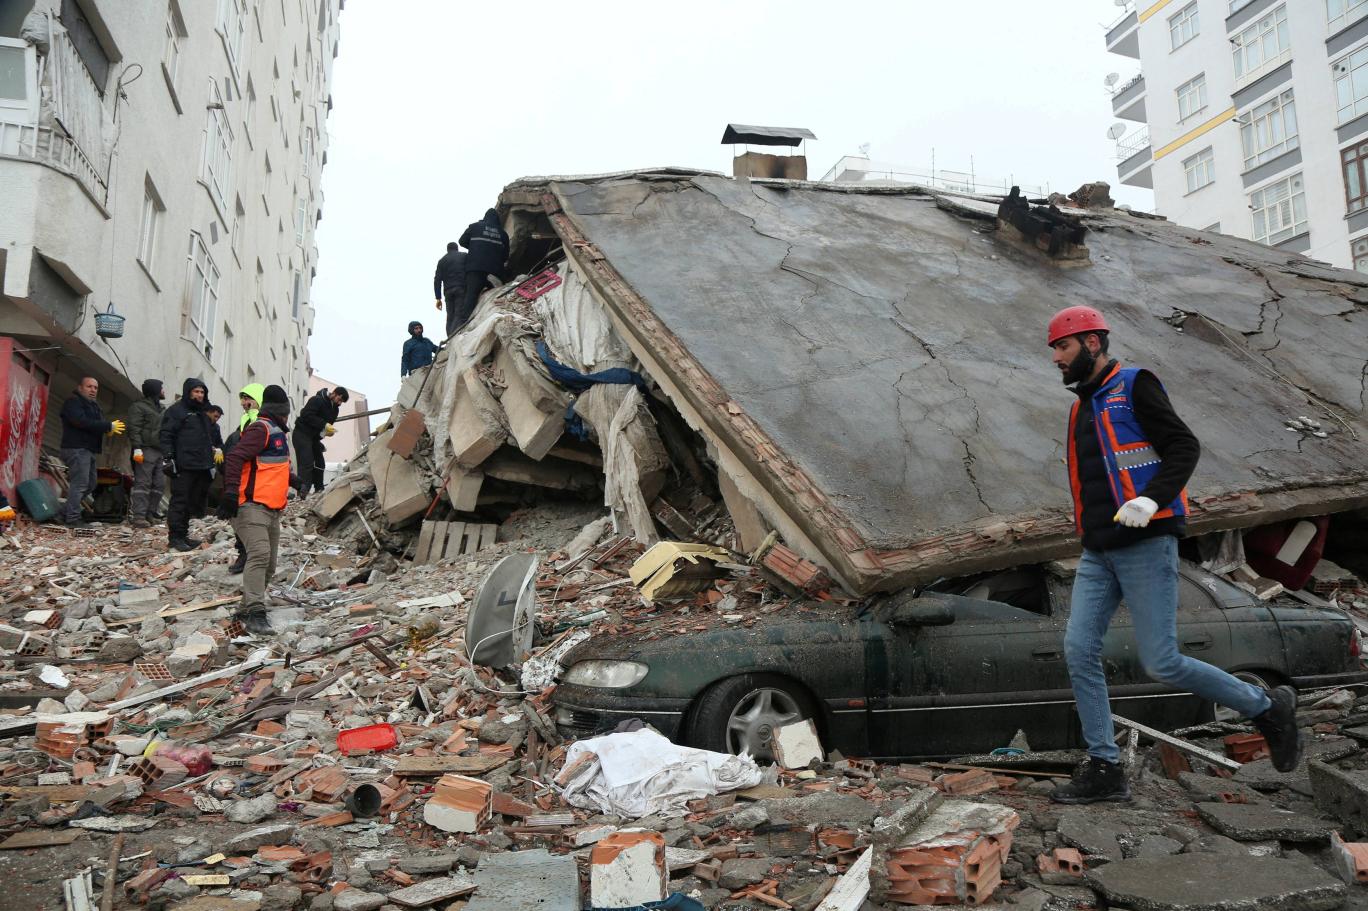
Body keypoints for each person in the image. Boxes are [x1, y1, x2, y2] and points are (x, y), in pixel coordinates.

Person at [1045, 305, 1300, 804]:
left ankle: (1266, 707)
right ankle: (1104, 767)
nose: (1056, 358)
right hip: (1099, 552)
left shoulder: (1136, 384)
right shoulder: (1080, 407)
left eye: (1062, 347)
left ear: (1092, 343)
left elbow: (1183, 447)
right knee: (1079, 651)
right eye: (1055, 349)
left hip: (1146, 542)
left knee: (1161, 660)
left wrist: (1151, 499)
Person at [219, 384, 297, 635]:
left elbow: (272, 467)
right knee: (260, 555)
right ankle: (255, 612)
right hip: (249, 506)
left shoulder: (277, 435)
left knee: (270, 564)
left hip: (271, 508)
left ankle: (244, 610)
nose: (287, 418)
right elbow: (234, 457)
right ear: (280, 413)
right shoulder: (260, 429)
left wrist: (296, 482)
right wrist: (231, 492)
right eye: (286, 413)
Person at [58, 377, 123, 527]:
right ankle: (72, 518)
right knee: (80, 484)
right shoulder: (73, 402)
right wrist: (107, 426)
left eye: (95, 388)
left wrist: (107, 430)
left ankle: (64, 513)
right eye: (89, 387)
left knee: (91, 483)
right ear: (80, 387)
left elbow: (95, 424)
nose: (93, 390)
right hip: (76, 448)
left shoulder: (94, 406)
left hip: (88, 449)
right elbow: (79, 421)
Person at [159, 378, 215, 552]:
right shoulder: (176, 411)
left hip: (200, 465)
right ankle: (175, 538)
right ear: (188, 392)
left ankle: (183, 535)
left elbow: (206, 439)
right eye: (196, 391)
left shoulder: (203, 414)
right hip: (183, 465)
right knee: (180, 501)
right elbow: (166, 434)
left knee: (191, 502)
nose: (199, 395)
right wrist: (168, 457)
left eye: (202, 392)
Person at [457, 208, 509, 326]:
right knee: (497, 296)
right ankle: (495, 320)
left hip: (475, 268)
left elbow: (462, 241)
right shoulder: (503, 234)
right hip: (495, 271)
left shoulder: (475, 227)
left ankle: (463, 325)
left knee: (471, 296)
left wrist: (475, 248)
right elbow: (506, 256)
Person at [293, 386, 347, 497]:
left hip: (314, 438)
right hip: (301, 433)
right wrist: (324, 424)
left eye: (342, 401)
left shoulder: (335, 409)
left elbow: (327, 425)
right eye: (339, 399)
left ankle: (319, 490)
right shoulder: (317, 400)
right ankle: (303, 492)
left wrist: (326, 432)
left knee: (319, 463)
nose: (340, 403)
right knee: (306, 463)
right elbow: (306, 415)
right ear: (334, 394)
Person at [126, 379, 166, 527]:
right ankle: (139, 516)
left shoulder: (161, 409)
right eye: (161, 388)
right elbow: (134, 428)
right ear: (155, 390)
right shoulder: (138, 407)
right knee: (143, 483)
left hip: (160, 451)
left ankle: (150, 513)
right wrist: (137, 447)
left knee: (159, 484)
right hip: (145, 449)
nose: (163, 391)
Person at [434, 242, 468, 337]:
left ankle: (449, 336)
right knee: (458, 313)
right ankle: (453, 335)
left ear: (447, 250)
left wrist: (438, 298)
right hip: (460, 288)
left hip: (448, 291)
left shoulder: (442, 261)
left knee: (450, 315)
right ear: (457, 248)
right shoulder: (464, 256)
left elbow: (437, 280)